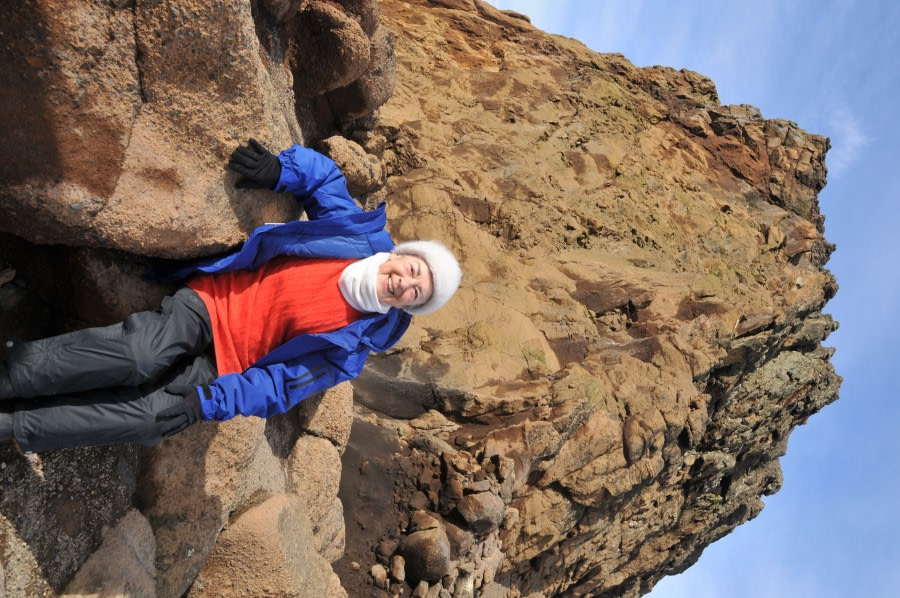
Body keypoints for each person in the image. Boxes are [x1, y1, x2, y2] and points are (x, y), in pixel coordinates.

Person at [0, 139, 462, 452]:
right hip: (213, 302)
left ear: (409, 305)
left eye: (417, 293)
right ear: (405, 254)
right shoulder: (360, 237)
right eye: (414, 270)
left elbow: (281, 385)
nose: (406, 283)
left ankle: (15, 428)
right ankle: (11, 372)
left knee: (152, 418)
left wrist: (210, 401)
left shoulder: (354, 350)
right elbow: (324, 179)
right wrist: (280, 170)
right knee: (142, 354)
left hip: (228, 366)